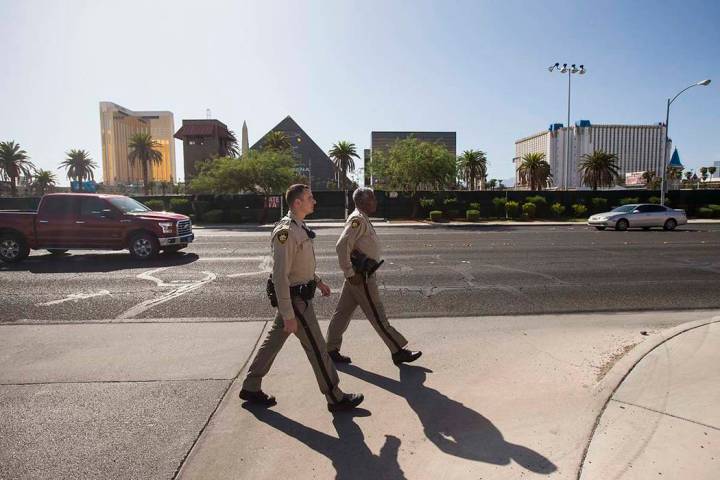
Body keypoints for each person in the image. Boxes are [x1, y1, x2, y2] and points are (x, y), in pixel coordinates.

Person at [239, 184, 364, 412]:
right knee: (317, 347)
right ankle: (335, 396)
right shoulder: (285, 232)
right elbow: (280, 276)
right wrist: (288, 314)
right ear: (297, 203)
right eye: (310, 198)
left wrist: (317, 281)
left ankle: (250, 385)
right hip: (295, 302)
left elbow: (300, 265)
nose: (314, 201)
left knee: (272, 343)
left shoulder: (299, 226)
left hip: (299, 296)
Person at [326, 187, 422, 365]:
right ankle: (397, 350)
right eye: (373, 199)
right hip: (361, 277)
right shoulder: (357, 219)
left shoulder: (361, 218)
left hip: (358, 275)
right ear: (362, 202)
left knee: (342, 313)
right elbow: (342, 246)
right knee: (377, 315)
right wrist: (349, 272)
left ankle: (330, 349)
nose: (376, 202)